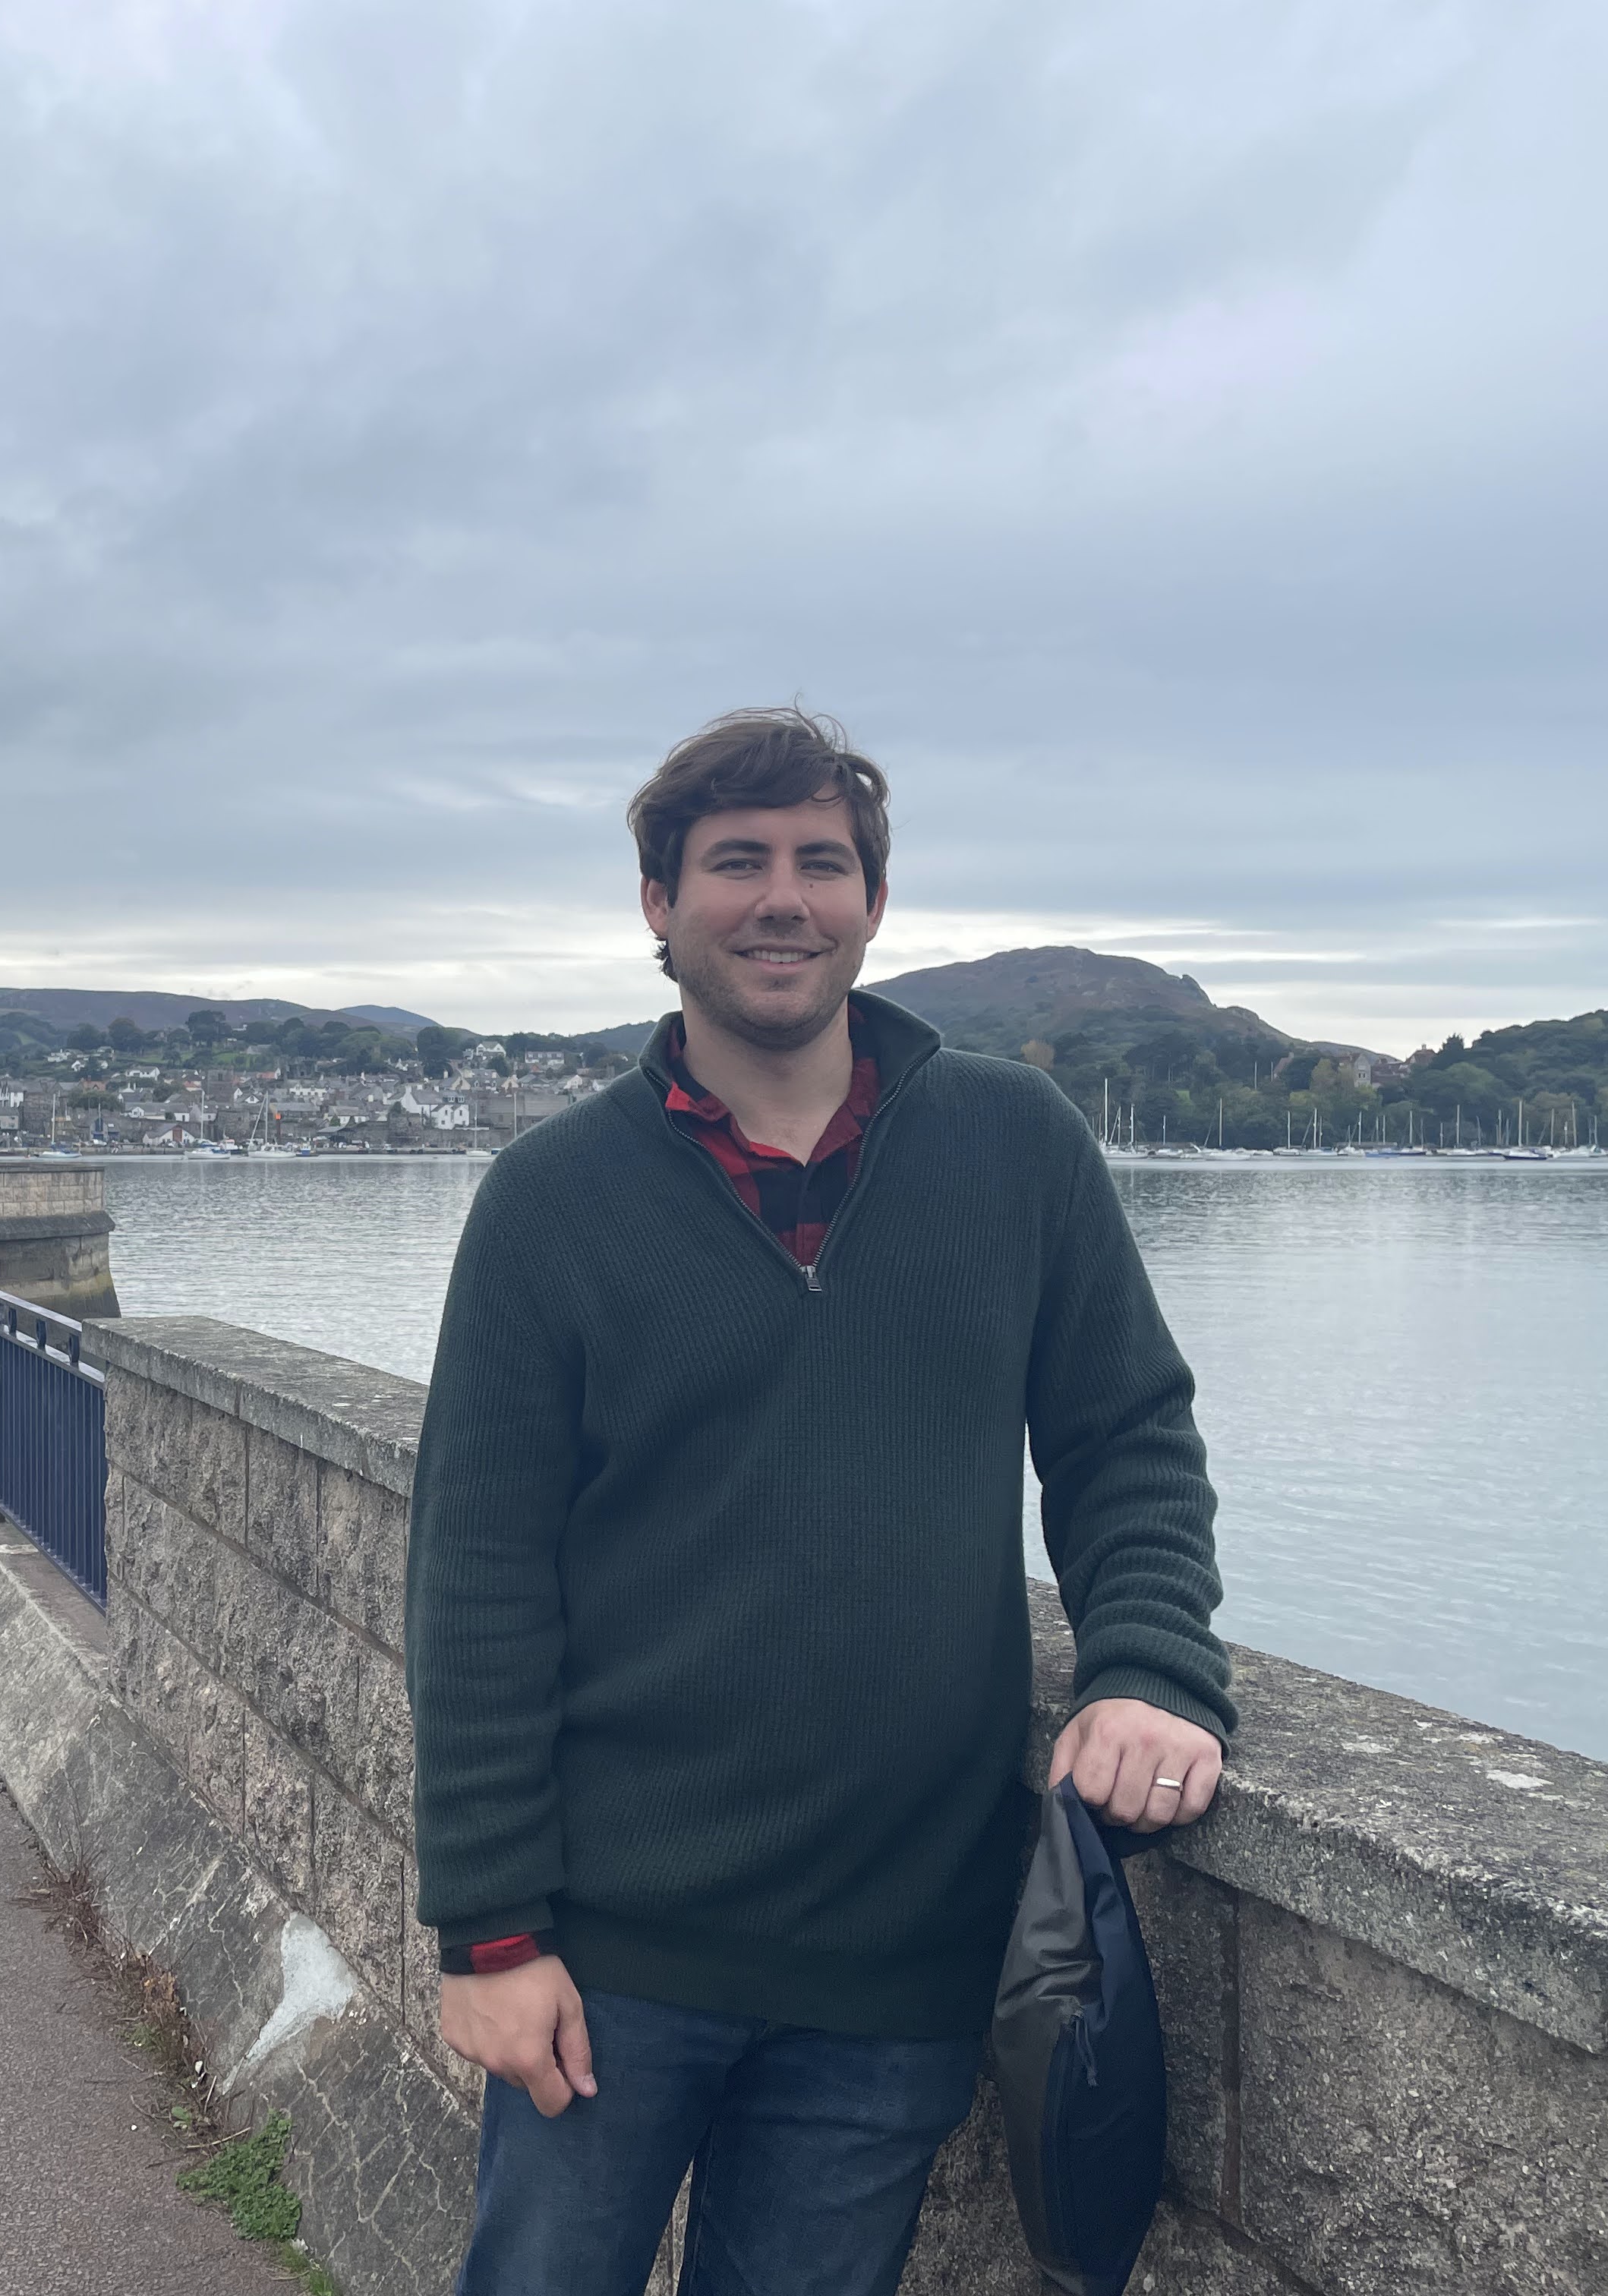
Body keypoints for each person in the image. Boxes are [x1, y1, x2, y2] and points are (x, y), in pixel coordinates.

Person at [407, 708, 1234, 2296]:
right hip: (612, 1955)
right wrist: (489, 1931)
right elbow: (479, 1581)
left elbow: (1126, 1431)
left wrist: (1149, 1667)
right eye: (736, 862)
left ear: (870, 902)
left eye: (821, 862)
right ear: (659, 903)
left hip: (896, 1961)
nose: (783, 898)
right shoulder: (550, 1206)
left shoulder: (1015, 1149)